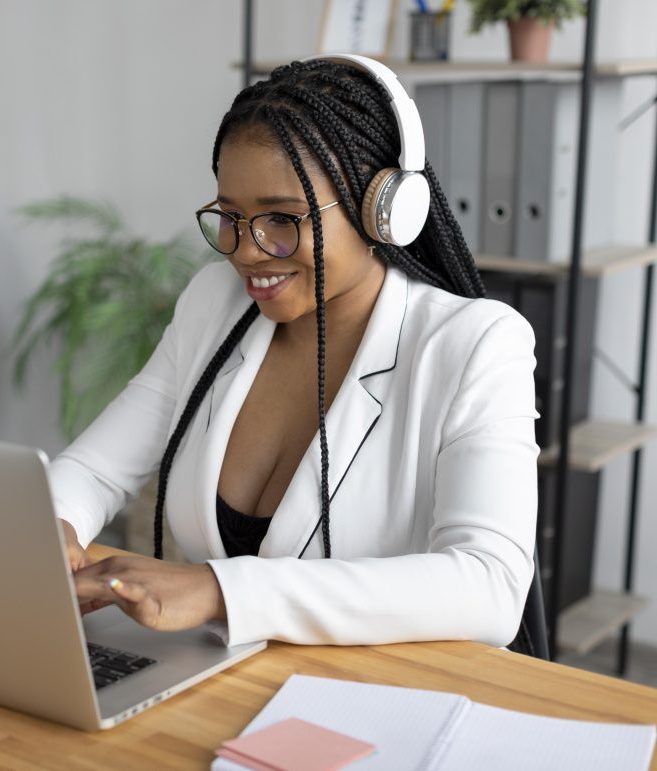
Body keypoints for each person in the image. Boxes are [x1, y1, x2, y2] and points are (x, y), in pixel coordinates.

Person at [47, 56, 539, 649]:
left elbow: (489, 586)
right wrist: (56, 525)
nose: (247, 252)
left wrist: (219, 592)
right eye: (230, 217)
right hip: (227, 680)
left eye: (283, 218)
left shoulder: (476, 345)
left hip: (383, 701)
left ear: (383, 209)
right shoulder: (214, 305)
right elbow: (96, 471)